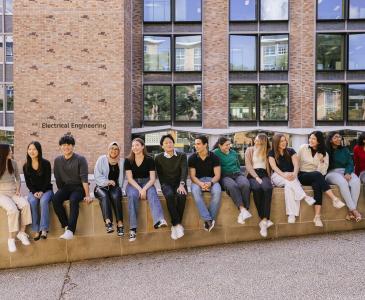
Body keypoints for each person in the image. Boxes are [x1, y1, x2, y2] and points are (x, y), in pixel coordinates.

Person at [297, 131, 345, 227]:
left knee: (317, 186)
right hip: (303, 175)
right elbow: (297, 163)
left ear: (319, 141)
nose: (311, 140)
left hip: (317, 177)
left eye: (313, 139)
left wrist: (321, 160)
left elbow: (323, 172)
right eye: (310, 138)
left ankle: (317, 217)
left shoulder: (324, 153)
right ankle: (334, 198)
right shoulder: (302, 148)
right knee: (317, 176)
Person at [124, 138, 167, 242]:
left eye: (137, 145)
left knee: (152, 193)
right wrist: (140, 190)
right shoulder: (128, 160)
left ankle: (159, 220)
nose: (135, 147)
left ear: (143, 146)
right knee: (133, 196)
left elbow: (152, 179)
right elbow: (129, 179)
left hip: (147, 182)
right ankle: (133, 229)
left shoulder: (150, 159)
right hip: (133, 184)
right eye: (133, 146)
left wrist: (144, 189)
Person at [269, 134, 315, 224]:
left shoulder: (291, 150)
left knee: (289, 187)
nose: (284, 142)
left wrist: (294, 173)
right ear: (276, 143)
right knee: (291, 182)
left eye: (284, 140)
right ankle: (304, 196)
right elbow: (274, 167)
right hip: (278, 176)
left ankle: (291, 215)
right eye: (281, 141)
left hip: (291, 176)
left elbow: (296, 164)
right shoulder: (271, 153)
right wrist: (284, 175)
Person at [53, 134, 92, 240]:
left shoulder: (80, 159)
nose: (66, 147)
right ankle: (66, 226)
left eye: (69, 145)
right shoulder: (57, 160)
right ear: (60, 146)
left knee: (73, 200)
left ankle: (71, 230)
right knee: (55, 199)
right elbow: (58, 178)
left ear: (73, 146)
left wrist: (87, 194)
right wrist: (61, 192)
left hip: (79, 187)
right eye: (64, 145)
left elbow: (84, 178)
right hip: (66, 187)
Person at [213, 137, 252, 224]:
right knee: (232, 186)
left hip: (237, 174)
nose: (229, 146)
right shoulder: (215, 153)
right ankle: (242, 209)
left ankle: (243, 212)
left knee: (245, 184)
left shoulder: (234, 153)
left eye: (229, 144)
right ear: (220, 145)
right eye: (226, 145)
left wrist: (239, 174)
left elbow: (238, 165)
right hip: (224, 176)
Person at [155, 134, 187, 240]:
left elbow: (184, 171)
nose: (169, 144)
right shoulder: (158, 158)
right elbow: (160, 176)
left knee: (181, 195)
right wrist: (164, 186)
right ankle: (178, 224)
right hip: (166, 184)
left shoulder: (182, 155)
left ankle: (175, 225)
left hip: (179, 183)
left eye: (170, 142)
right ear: (162, 146)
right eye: (166, 143)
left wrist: (182, 184)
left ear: (173, 143)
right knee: (169, 195)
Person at [0, 144, 31, 252]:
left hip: (14, 192)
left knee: (26, 205)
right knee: (13, 211)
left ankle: (22, 233)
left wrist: (18, 190)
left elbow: (18, 178)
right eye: (9, 151)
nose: (11, 152)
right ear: (3, 153)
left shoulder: (13, 163)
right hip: (1, 194)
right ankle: (11, 239)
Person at [325, 132, 362, 222]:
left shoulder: (345, 149)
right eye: (335, 137)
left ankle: (350, 212)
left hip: (345, 171)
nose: (338, 139)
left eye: (339, 137)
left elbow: (350, 162)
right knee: (342, 182)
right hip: (331, 173)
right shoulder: (326, 150)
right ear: (330, 140)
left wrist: (348, 172)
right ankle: (354, 211)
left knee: (356, 181)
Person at [188, 135, 222, 232]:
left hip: (212, 180)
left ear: (205, 145)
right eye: (195, 144)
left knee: (217, 192)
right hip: (197, 181)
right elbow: (192, 176)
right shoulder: (192, 158)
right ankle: (208, 219)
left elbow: (217, 175)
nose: (196, 146)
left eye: (198, 144)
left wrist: (210, 183)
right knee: (195, 192)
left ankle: (208, 221)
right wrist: (201, 184)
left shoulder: (214, 157)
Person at [23, 141, 53, 240]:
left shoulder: (46, 163)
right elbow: (28, 183)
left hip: (46, 190)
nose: (32, 151)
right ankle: (36, 230)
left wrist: (42, 191)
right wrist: (35, 192)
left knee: (43, 201)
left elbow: (47, 180)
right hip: (33, 191)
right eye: (30, 149)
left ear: (39, 151)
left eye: (34, 149)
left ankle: (44, 229)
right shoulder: (26, 166)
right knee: (32, 201)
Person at [245, 133, 273, 237]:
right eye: (255, 140)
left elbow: (272, 165)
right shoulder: (249, 150)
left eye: (258, 141)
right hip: (252, 174)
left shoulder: (268, 151)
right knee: (256, 188)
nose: (256, 142)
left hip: (264, 174)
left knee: (267, 188)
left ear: (263, 142)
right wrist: (256, 177)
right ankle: (264, 219)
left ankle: (264, 220)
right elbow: (248, 165)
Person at [94, 142, 125, 236]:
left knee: (116, 197)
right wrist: (107, 181)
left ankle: (120, 224)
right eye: (112, 148)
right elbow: (97, 175)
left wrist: (119, 187)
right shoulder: (102, 159)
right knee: (104, 196)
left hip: (114, 187)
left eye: (116, 149)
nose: (114, 151)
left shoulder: (122, 161)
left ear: (119, 151)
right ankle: (108, 223)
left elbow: (122, 177)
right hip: (101, 187)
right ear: (108, 149)